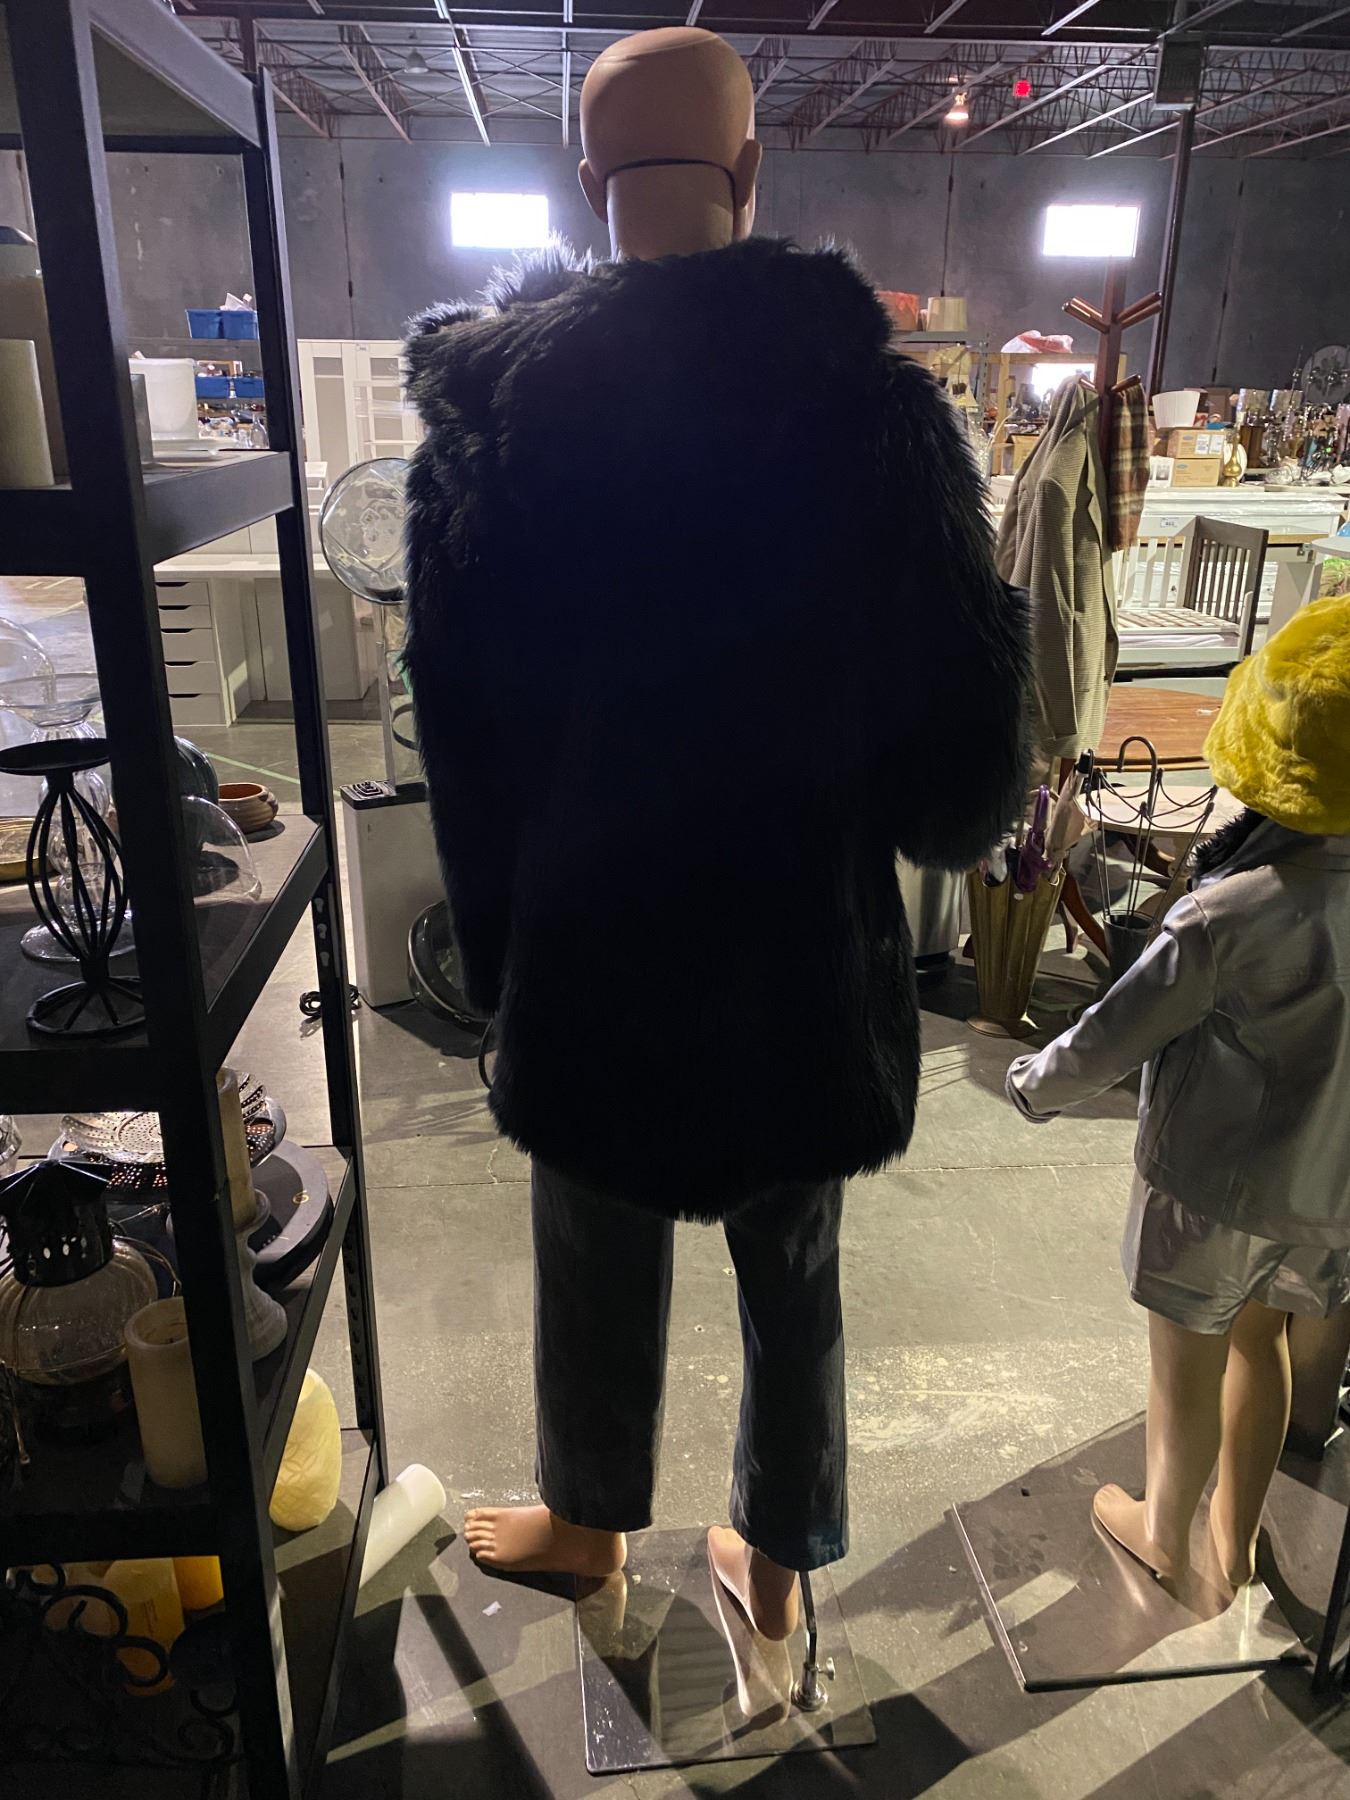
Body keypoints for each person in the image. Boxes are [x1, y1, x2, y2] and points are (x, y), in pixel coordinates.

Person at [403, 28, 1029, 1639]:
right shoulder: (873, 420)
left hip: (589, 952)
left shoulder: (483, 425)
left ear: (583, 184)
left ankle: (586, 1524)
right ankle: (780, 1551)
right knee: (793, 1269)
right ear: (752, 173)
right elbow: (959, 787)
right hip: (796, 962)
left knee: (587, 1250)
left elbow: (462, 748)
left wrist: (503, 969)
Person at [1007, 595, 1350, 1594]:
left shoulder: (1228, 913)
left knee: (1185, 1362)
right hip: (1326, 1193)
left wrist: (1033, 1086)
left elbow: (1114, 1034)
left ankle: (1164, 1531)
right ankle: (1232, 1545)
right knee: (1264, 1341)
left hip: (1210, 1187)